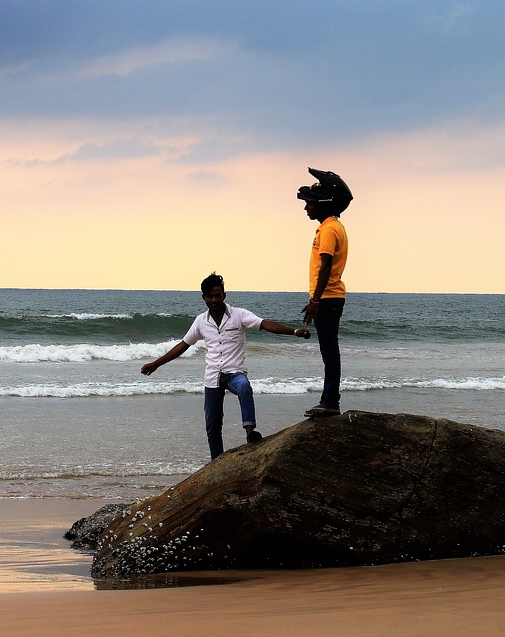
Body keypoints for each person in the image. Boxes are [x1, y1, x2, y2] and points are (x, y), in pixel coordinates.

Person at [141, 273, 311, 459]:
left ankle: (250, 433)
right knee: (212, 425)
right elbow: (183, 345)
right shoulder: (201, 321)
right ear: (203, 297)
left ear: (224, 295)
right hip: (213, 376)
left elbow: (265, 324)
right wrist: (156, 364)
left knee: (244, 386)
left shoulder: (239, 315)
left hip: (234, 373)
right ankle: (216, 460)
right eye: (210, 296)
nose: (214, 300)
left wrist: (294, 332)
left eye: (218, 295)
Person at [298, 168, 352, 418]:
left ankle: (330, 401)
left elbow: (326, 265)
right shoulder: (334, 226)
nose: (307, 208)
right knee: (330, 350)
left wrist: (315, 300)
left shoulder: (329, 230)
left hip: (328, 297)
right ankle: (329, 399)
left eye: (310, 203)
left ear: (322, 204)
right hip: (331, 296)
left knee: (329, 351)